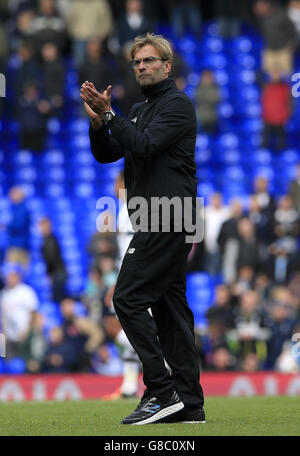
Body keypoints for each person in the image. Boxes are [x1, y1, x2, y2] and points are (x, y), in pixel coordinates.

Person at [80, 33, 205, 425]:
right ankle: (188, 403)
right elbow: (107, 154)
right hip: (160, 217)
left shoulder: (177, 105)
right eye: (136, 63)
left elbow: (147, 145)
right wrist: (101, 122)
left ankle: (160, 390)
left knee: (127, 298)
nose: (141, 67)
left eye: (149, 61)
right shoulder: (138, 109)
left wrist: (112, 116)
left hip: (169, 215)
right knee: (170, 312)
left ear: (167, 66)